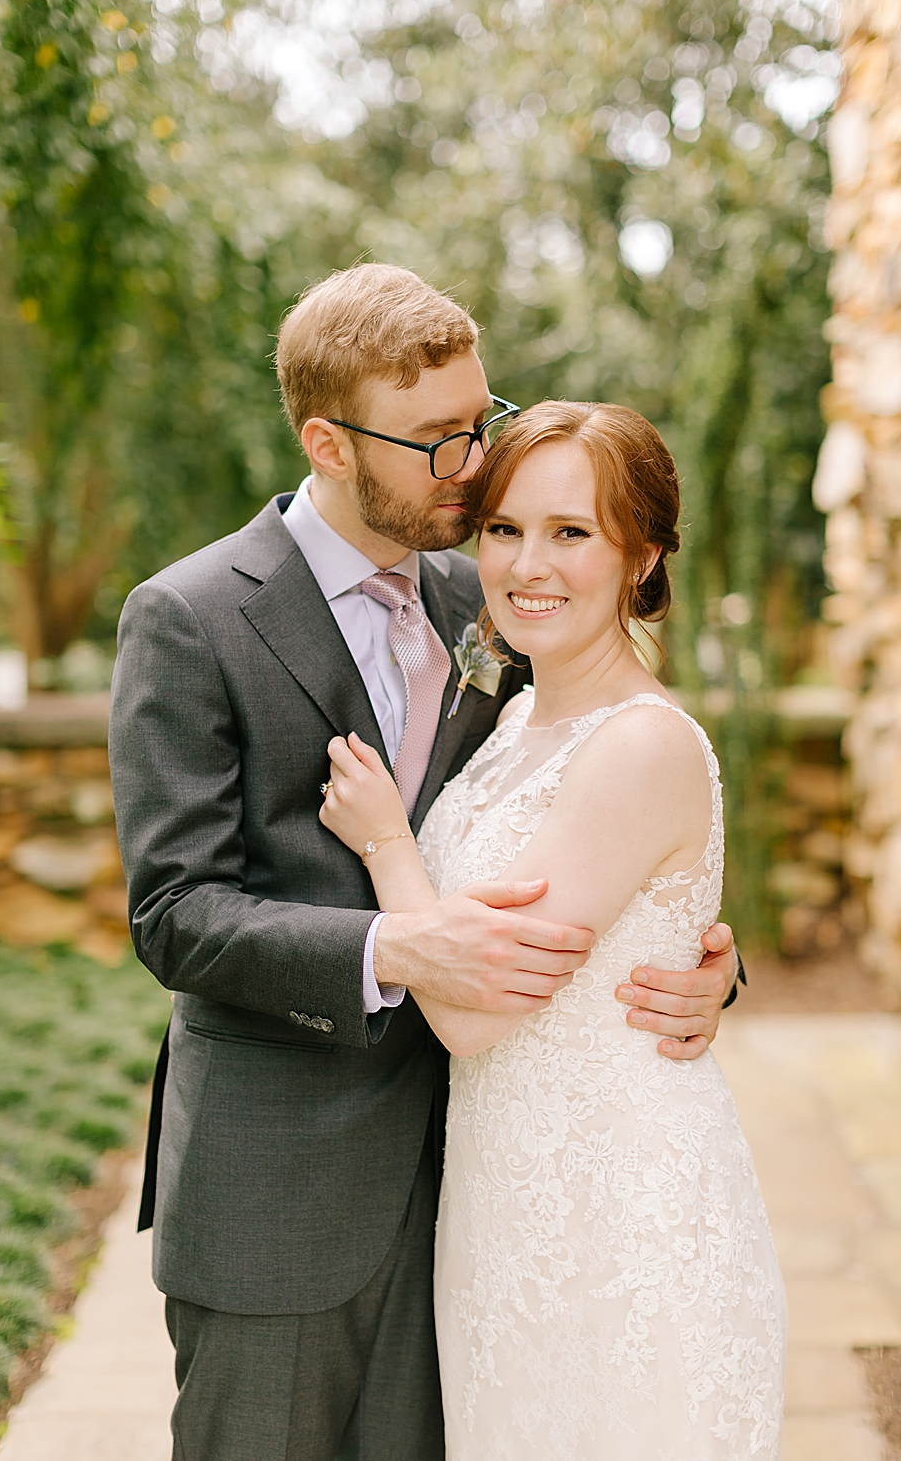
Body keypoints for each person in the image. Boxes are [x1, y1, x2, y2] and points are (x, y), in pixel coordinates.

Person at [108, 265, 742, 1460]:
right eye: (436, 441)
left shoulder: (493, 591)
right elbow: (174, 910)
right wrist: (395, 942)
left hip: (479, 1186)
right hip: (279, 1186)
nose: (471, 469)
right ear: (327, 441)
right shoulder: (190, 616)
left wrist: (702, 953)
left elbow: (600, 803)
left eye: (480, 424)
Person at [320, 398, 785, 1458]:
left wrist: (388, 843)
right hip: (505, 1198)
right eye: (504, 529)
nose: (528, 563)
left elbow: (476, 1017)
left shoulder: (637, 745)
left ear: (641, 555)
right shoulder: (518, 713)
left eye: (571, 532)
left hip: (618, 1213)